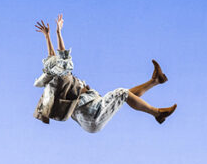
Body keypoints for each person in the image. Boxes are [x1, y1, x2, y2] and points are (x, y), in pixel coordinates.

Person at [33, 14, 176, 132]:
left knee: (124, 95)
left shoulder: (54, 82)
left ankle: (156, 80)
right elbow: (62, 56)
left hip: (90, 113)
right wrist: (58, 33)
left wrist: (47, 36)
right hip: (90, 113)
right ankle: (158, 113)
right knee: (121, 92)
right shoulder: (60, 76)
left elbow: (53, 58)